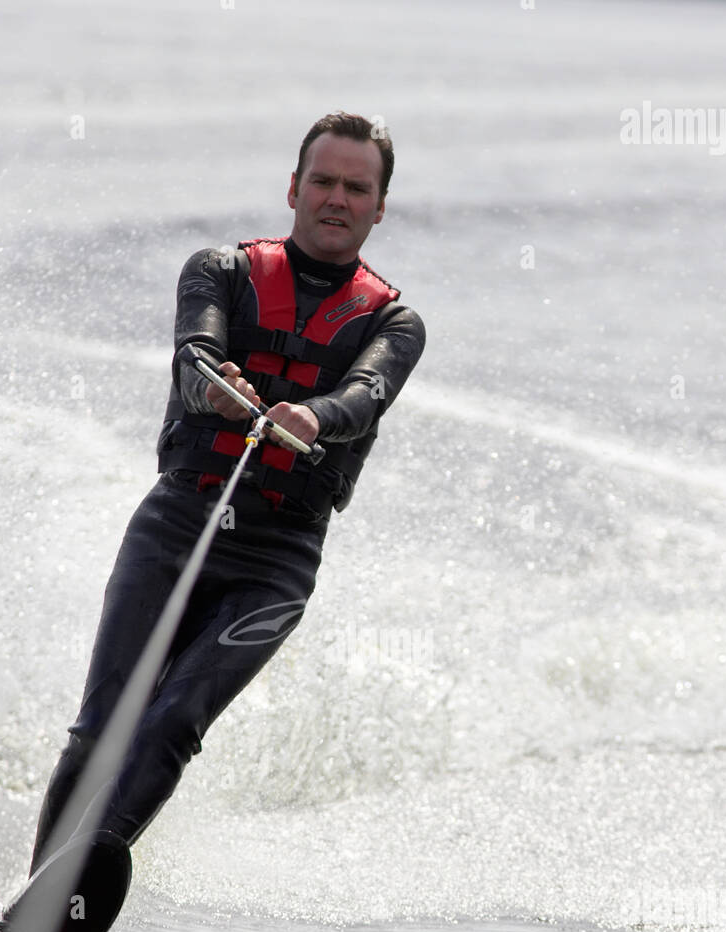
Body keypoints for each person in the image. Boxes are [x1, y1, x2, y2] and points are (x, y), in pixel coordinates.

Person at [25, 111, 426, 880]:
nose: (335, 199)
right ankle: (38, 894)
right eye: (322, 181)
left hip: (274, 561)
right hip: (176, 524)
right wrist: (213, 384)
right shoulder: (219, 272)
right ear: (293, 187)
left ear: (379, 207)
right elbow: (195, 351)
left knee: (173, 720)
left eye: (356, 187)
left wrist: (313, 414)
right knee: (103, 727)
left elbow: (367, 394)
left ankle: (75, 886)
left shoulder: (395, 323)